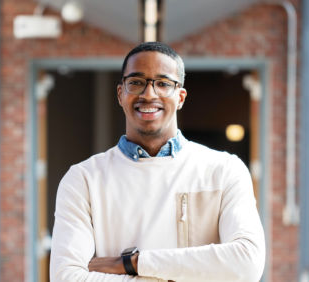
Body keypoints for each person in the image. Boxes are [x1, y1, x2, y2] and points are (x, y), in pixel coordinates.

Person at [50, 42, 265, 282]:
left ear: (180, 97)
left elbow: (247, 265)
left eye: (163, 83)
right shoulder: (83, 179)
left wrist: (132, 263)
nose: (149, 94)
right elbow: (66, 277)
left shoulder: (224, 170)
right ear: (121, 94)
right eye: (136, 82)